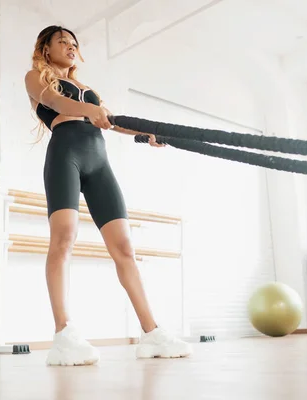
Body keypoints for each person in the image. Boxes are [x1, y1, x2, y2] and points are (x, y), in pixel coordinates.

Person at [24, 25, 193, 366]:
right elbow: (55, 102)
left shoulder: (88, 89)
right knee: (63, 239)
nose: (71, 47)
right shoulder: (35, 77)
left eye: (74, 43)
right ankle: (64, 334)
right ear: (46, 49)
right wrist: (90, 111)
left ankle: (151, 333)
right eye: (62, 42)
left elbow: (111, 121)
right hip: (65, 154)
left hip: (98, 161)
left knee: (125, 248)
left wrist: (148, 133)